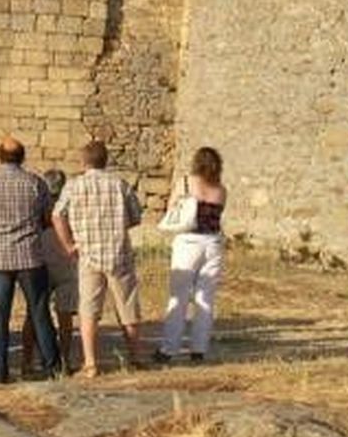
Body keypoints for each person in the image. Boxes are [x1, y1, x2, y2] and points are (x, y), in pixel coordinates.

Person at [0, 136, 61, 383]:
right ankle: (53, 367)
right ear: (23, 157)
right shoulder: (35, 183)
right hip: (30, 255)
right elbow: (47, 217)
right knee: (40, 313)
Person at [53, 141, 144, 375]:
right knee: (127, 307)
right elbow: (136, 217)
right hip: (118, 253)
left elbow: (57, 215)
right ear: (106, 161)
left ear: (84, 162)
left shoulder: (74, 186)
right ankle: (134, 357)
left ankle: (91, 363)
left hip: (88, 254)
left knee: (89, 310)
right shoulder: (119, 184)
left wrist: (68, 245)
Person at [157, 146, 227, 365]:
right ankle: (199, 349)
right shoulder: (221, 190)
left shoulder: (186, 182)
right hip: (213, 243)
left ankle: (169, 349)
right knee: (205, 298)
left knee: (179, 296)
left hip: (189, 240)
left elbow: (172, 208)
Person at [24, 169, 77, 376]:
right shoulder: (67, 204)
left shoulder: (36, 204)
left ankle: (27, 361)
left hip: (40, 259)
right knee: (65, 314)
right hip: (65, 259)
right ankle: (63, 359)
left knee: (34, 313)